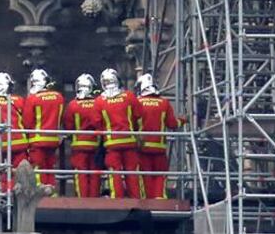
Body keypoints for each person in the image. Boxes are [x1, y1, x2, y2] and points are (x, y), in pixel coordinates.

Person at [95, 68, 144, 199]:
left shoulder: (99, 101)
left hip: (112, 143)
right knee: (132, 172)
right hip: (129, 141)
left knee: (114, 173)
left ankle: (117, 199)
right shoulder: (129, 96)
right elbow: (139, 116)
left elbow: (97, 124)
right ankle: (136, 199)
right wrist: (138, 135)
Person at [135, 73, 185, 199]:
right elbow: (172, 124)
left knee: (144, 175)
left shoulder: (137, 102)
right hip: (160, 147)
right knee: (160, 175)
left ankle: (147, 201)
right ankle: (160, 199)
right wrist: (183, 120)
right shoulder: (164, 103)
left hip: (142, 148)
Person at [22, 69, 64, 189]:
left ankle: (40, 194)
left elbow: (27, 121)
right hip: (53, 139)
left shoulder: (33, 98)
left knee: (38, 167)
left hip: (37, 139)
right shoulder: (59, 97)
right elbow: (61, 118)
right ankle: (52, 194)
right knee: (50, 167)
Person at [64, 74, 102, 197]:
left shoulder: (73, 105)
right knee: (95, 173)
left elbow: (68, 126)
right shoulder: (98, 103)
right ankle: (94, 198)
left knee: (81, 174)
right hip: (95, 144)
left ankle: (82, 199)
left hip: (78, 145)